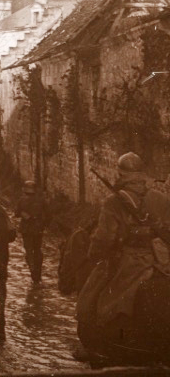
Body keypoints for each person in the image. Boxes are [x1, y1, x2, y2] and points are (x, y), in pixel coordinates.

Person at [76, 152, 170, 355]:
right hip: (161, 260)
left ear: (121, 175)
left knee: (90, 299)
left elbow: (104, 240)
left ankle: (94, 348)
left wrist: (94, 255)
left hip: (130, 262)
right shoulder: (162, 198)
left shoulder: (113, 202)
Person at [15, 181, 49, 283]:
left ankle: (32, 270)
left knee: (29, 250)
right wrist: (43, 224)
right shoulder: (42, 200)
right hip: (38, 229)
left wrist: (23, 214)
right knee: (37, 249)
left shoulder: (21, 200)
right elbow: (48, 214)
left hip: (26, 230)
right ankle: (38, 273)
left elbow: (16, 213)